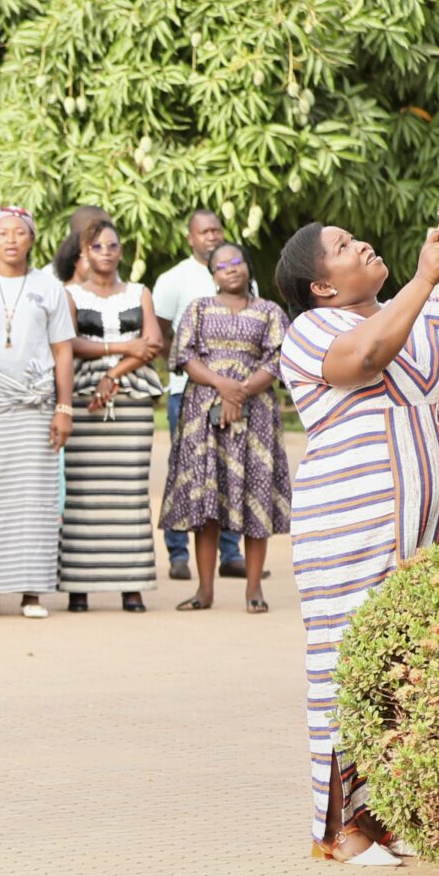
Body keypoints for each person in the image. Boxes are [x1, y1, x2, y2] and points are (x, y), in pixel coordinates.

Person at [277, 206, 439, 862]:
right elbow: (365, 357)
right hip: (352, 529)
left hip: (431, 528)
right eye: (343, 245)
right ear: (323, 285)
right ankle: (339, 828)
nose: (362, 241)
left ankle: (390, 811)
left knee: (414, 667)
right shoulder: (311, 331)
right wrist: (425, 280)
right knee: (348, 663)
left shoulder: (417, 310)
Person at [0, 207, 75, 620]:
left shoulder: (49, 287)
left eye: (18, 232)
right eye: (2, 232)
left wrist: (64, 408)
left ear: (31, 239)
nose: (10, 239)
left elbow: (62, 351)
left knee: (34, 500)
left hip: (35, 406)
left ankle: (32, 593)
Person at [164, 242, 289, 612]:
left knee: (256, 499)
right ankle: (205, 591)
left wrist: (243, 391)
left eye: (236, 262)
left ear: (248, 267)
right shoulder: (198, 309)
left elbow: (279, 357)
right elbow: (184, 355)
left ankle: (254, 589)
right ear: (212, 274)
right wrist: (224, 388)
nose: (230, 269)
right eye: (221, 265)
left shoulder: (269, 312)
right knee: (207, 505)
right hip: (204, 415)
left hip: (257, 415)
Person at [57, 218, 164, 613]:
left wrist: (113, 375)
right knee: (83, 492)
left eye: (112, 245)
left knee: (130, 491)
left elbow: (152, 343)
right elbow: (68, 343)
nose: (106, 252)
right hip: (83, 396)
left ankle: (131, 585)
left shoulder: (140, 292)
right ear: (84, 252)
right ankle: (79, 587)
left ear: (121, 251)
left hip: (131, 394)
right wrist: (118, 350)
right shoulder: (70, 294)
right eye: (97, 246)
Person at [152, 208, 254, 580]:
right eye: (204, 232)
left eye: (216, 229)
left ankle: (230, 554)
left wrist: (233, 386)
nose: (212, 236)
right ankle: (178, 554)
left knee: (230, 471)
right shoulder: (173, 279)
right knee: (186, 471)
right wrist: (194, 371)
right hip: (188, 393)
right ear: (190, 239)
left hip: (236, 394)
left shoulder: (240, 271)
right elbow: (161, 334)